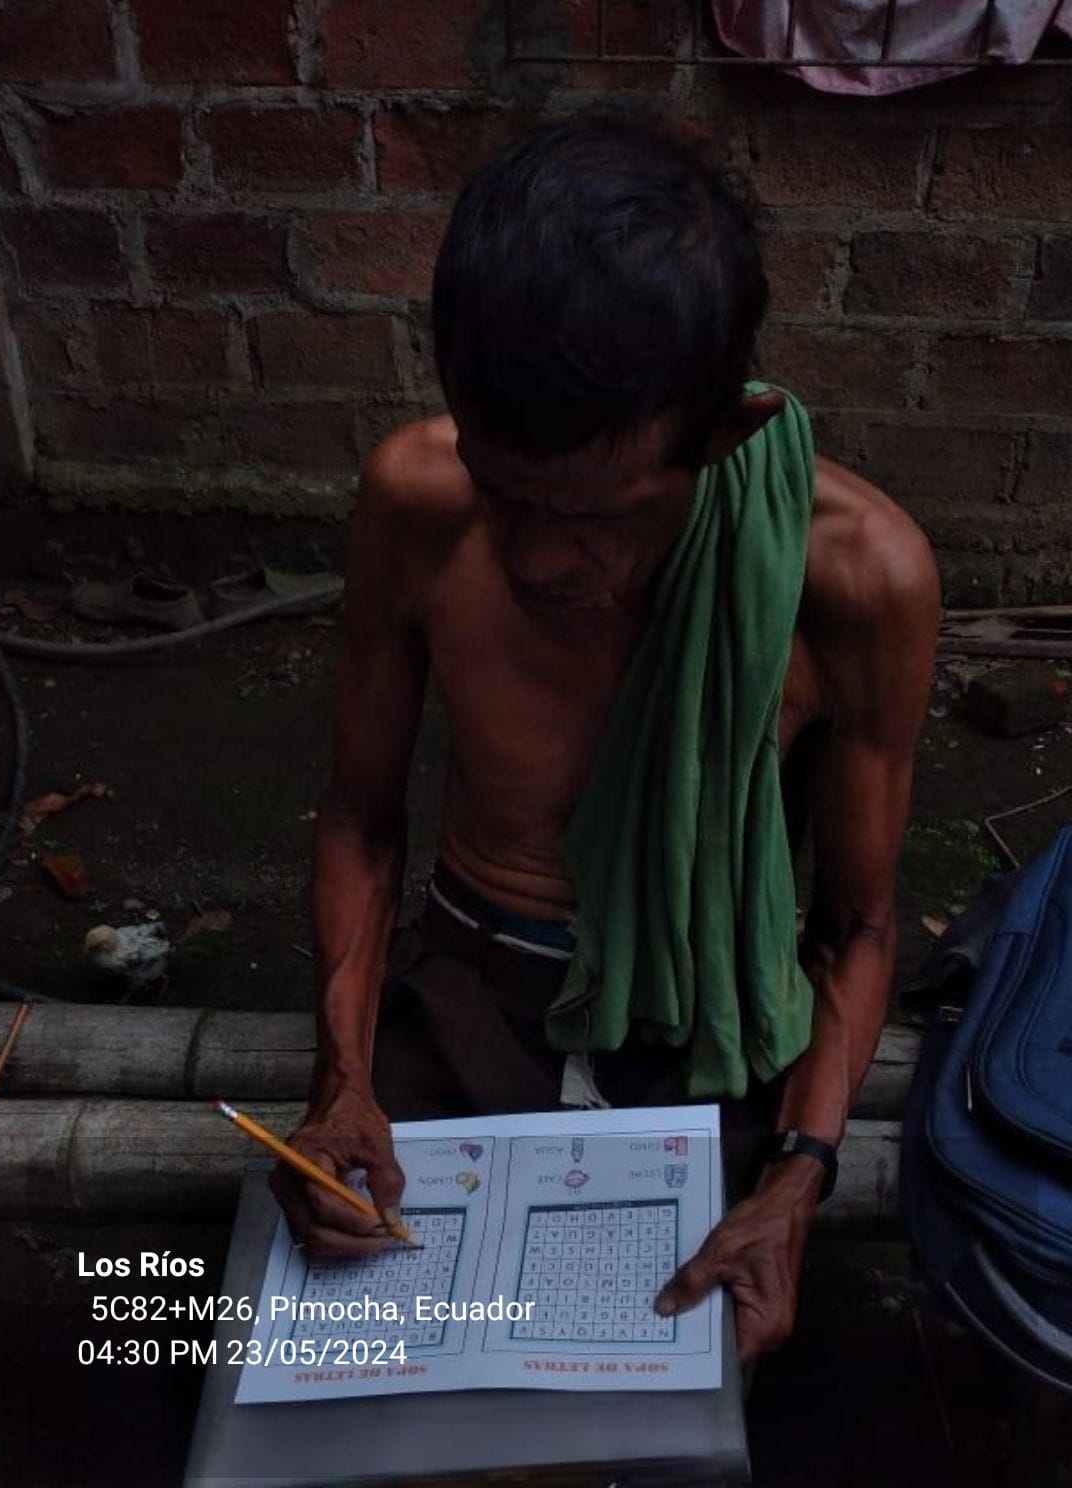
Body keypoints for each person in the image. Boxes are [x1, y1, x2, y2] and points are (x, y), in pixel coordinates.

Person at [272, 117, 940, 1364]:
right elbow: (361, 816)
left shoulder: (855, 578)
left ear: (724, 438)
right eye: (503, 490)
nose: (532, 558)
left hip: (710, 1024)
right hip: (471, 980)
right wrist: (342, 1082)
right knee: (349, 1328)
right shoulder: (418, 501)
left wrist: (799, 1177)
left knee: (681, 1377)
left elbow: (858, 928)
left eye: (592, 514)